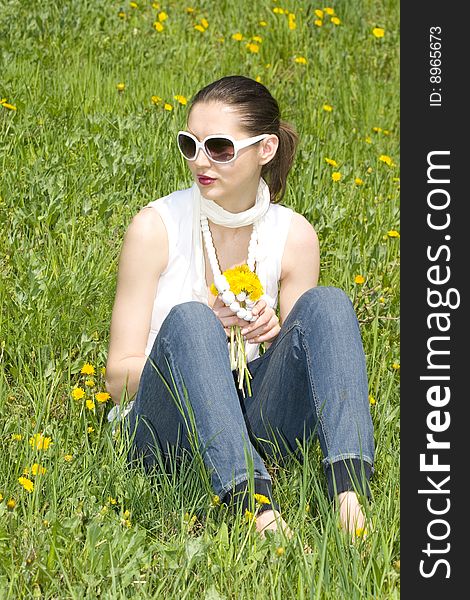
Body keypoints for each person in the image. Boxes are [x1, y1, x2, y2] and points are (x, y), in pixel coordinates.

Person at [104, 75, 374, 541]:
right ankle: (255, 509)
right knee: (190, 320)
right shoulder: (154, 227)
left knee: (328, 304)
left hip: (256, 422)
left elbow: (307, 368)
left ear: (265, 149)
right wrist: (202, 334)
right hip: (167, 432)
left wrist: (272, 334)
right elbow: (116, 380)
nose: (200, 161)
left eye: (220, 148)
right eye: (190, 144)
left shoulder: (295, 236)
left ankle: (349, 499)